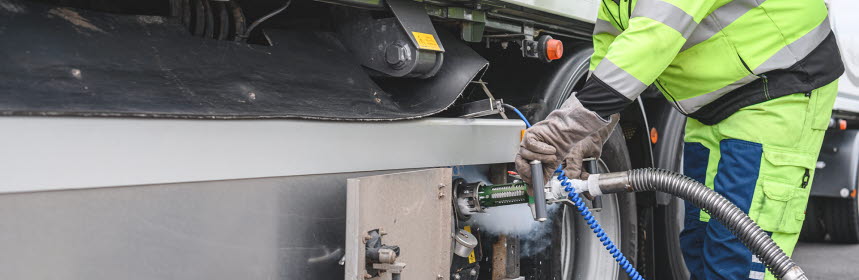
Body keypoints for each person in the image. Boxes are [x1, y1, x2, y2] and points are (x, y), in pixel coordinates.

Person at [514, 0, 844, 279]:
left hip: (779, 89)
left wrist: (559, 132)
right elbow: (613, 51)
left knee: (736, 254)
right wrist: (590, 133)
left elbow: (653, 39)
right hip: (715, 104)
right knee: (699, 245)